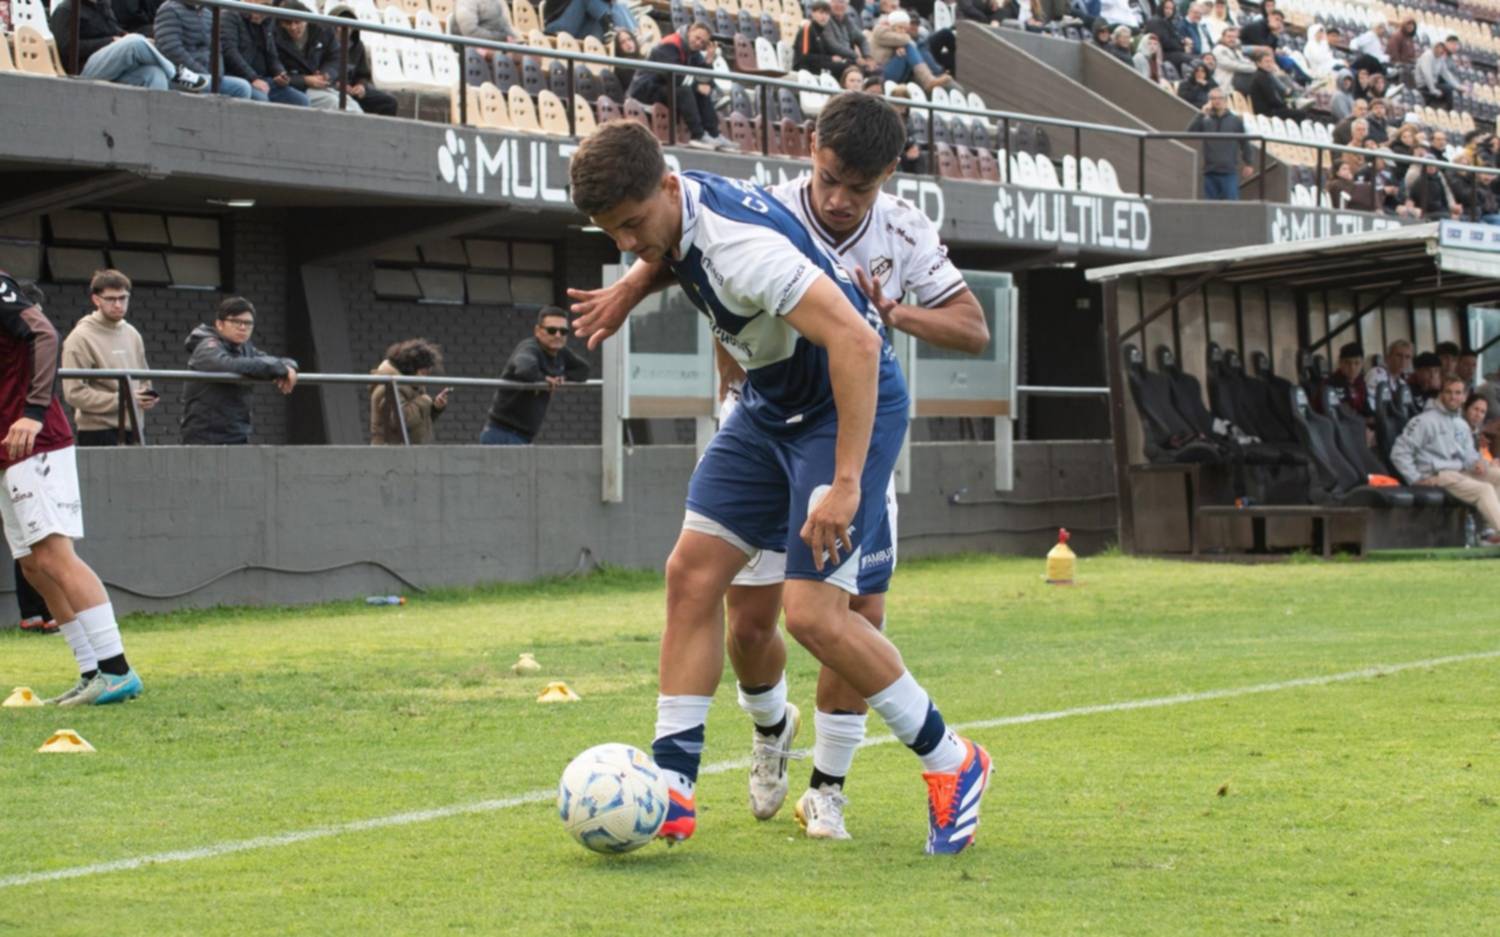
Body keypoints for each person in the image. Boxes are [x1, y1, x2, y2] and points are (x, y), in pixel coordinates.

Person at [565, 121, 993, 853]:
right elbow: (670, 249)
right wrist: (632, 285)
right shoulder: (682, 207)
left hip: (838, 409)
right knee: (691, 575)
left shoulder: (740, 248)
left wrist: (847, 482)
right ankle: (674, 785)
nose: (628, 242)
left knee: (815, 617)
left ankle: (954, 761)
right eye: (613, 232)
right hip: (769, 405)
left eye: (633, 224)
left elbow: (858, 342)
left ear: (667, 186)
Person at [711, 92, 988, 841]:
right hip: (766, 430)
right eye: (829, 178)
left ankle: (828, 789)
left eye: (858, 188)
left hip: (849, 446)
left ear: (889, 173)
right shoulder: (764, 211)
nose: (838, 200)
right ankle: (771, 726)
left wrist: (896, 314)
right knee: (750, 624)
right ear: (810, 146)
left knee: (852, 615)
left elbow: (971, 328)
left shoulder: (904, 229)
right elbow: (712, 288)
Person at [1, 274, 143, 706]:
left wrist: (34, 411)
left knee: (55, 556)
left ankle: (117, 670)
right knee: (32, 565)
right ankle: (91, 669)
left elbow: (44, 332)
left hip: (36, 440)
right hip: (8, 449)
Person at [1390, 374, 1500, 544]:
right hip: (1438, 474)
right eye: (1448, 392)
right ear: (1441, 394)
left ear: (1464, 397)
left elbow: (1469, 455)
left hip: (1460, 471)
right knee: (1484, 489)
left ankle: (1490, 533)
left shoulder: (1461, 424)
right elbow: (1399, 452)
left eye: (1458, 393)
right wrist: (1415, 478)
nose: (1453, 397)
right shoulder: (1424, 421)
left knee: (1497, 474)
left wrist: (1479, 463)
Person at [181, 297, 298, 445]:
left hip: (237, 435)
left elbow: (271, 360)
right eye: (236, 321)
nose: (243, 327)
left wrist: (289, 366)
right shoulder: (207, 345)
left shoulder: (245, 348)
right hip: (205, 438)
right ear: (219, 324)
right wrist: (278, 368)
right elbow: (226, 365)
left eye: (248, 323)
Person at [61, 269, 156, 447]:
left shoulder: (132, 333)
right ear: (96, 300)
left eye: (123, 298)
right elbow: (74, 393)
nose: (118, 305)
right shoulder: (80, 337)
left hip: (136, 429)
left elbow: (144, 378)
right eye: (111, 299)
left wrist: (148, 395)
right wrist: (124, 400)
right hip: (98, 431)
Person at [479, 307, 590, 445]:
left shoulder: (562, 353)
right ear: (537, 331)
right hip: (501, 433)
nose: (558, 335)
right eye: (551, 330)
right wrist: (544, 380)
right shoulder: (529, 348)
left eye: (563, 331)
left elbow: (583, 370)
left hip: (524, 436)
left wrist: (563, 377)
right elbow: (525, 368)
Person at [51, 0, 207, 91]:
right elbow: (65, 47)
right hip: (82, 71)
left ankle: (154, 122)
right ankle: (176, 73)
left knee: (154, 73)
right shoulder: (67, 9)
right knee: (134, 42)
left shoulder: (103, 6)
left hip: (111, 66)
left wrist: (130, 38)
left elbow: (116, 30)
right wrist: (110, 42)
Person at [626, 23, 735, 151]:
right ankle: (698, 136)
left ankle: (714, 134)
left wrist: (708, 61)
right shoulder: (670, 44)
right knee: (686, 91)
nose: (698, 43)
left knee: (700, 91)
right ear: (690, 31)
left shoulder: (693, 51)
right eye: (697, 38)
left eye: (703, 42)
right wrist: (698, 86)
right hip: (645, 90)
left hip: (665, 87)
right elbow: (674, 76)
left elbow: (704, 80)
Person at [153, 0, 256, 98]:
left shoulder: (208, 13)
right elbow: (171, 50)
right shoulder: (169, 9)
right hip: (181, 76)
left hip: (209, 76)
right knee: (206, 84)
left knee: (242, 87)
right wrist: (202, 73)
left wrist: (217, 75)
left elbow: (217, 49)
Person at [274, 0, 362, 111]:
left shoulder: (322, 29)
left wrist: (326, 74)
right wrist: (305, 80)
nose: (293, 27)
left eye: (297, 22)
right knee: (333, 103)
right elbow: (275, 70)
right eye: (287, 23)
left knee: (354, 106)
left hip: (321, 85)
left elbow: (335, 57)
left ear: (306, 19)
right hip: (296, 88)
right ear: (281, 23)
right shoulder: (273, 34)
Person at [224, 0, 309, 106]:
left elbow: (271, 55)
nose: (265, 10)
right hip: (240, 77)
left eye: (268, 5)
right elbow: (230, 53)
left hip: (262, 79)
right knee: (261, 98)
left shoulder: (266, 20)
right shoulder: (230, 15)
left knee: (301, 100)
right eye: (264, 5)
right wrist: (253, 78)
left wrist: (280, 73)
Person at [323, 4, 399, 116]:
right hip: (330, 90)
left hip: (353, 91)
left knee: (389, 103)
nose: (344, 29)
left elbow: (363, 74)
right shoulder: (322, 44)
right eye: (339, 24)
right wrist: (337, 85)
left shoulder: (357, 46)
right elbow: (317, 73)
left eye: (350, 25)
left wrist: (361, 86)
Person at [370, 338, 449, 445]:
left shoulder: (413, 385)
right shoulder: (388, 386)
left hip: (411, 450)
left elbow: (417, 422)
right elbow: (399, 421)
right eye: (423, 373)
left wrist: (435, 407)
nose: (425, 378)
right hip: (392, 451)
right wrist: (425, 401)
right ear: (411, 368)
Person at [1187, 86, 1253, 200]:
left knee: (1231, 206)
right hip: (1210, 172)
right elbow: (1190, 133)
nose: (1216, 101)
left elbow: (1245, 143)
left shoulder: (1235, 121)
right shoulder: (1205, 120)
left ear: (1225, 100)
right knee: (1211, 207)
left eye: (1219, 98)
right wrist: (1201, 113)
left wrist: (1249, 163)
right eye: (1213, 98)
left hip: (1229, 172)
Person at [872, 9, 951, 91]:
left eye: (905, 29)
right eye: (900, 27)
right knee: (909, 46)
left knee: (910, 49)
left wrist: (898, 48)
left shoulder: (898, 40)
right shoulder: (880, 31)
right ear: (892, 25)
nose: (903, 31)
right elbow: (904, 39)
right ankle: (928, 80)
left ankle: (930, 79)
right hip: (880, 73)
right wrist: (904, 41)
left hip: (895, 73)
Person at [795, 0, 850, 79]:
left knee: (849, 64)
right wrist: (830, 59)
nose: (824, 16)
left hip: (819, 65)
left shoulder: (822, 32)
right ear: (813, 13)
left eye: (827, 14)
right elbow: (804, 57)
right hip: (806, 68)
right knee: (844, 68)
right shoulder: (807, 29)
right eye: (821, 13)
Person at [542, 0, 637, 42]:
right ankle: (616, 31)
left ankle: (633, 36)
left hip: (581, 30)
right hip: (559, 25)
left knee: (618, 6)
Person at [1318, 342, 1367, 415]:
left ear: (1362, 364)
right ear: (1340, 363)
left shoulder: (1361, 382)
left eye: (1357, 363)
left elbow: (1366, 408)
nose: (1352, 368)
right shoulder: (1329, 384)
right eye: (1347, 363)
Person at [453, 0, 518, 51]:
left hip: (500, 45)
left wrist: (513, 38)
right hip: (481, 48)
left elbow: (503, 22)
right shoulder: (466, 2)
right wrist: (502, 38)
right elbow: (470, 32)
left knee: (522, 55)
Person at [1415, 36, 1460, 109]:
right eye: (1438, 47)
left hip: (1434, 83)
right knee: (1448, 89)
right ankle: (1448, 110)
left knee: (1450, 87)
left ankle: (1446, 110)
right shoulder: (1427, 56)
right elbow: (1427, 74)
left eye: (1442, 48)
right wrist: (1433, 90)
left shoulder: (1440, 58)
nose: (1441, 50)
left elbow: (1446, 74)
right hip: (1424, 84)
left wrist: (1458, 86)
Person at [1366, 338, 1412, 408]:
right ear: (1388, 357)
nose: (1403, 360)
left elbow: (1407, 408)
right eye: (1399, 355)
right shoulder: (1377, 373)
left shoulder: (1403, 383)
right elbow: (1371, 404)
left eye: (1407, 357)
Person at [1212, 25, 1254, 92]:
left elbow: (1245, 61)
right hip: (1224, 84)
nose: (1232, 39)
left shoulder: (1235, 50)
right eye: (1229, 37)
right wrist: (1253, 68)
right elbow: (1232, 65)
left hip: (1237, 82)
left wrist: (1254, 65)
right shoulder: (1218, 50)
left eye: (1234, 37)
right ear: (1223, 37)